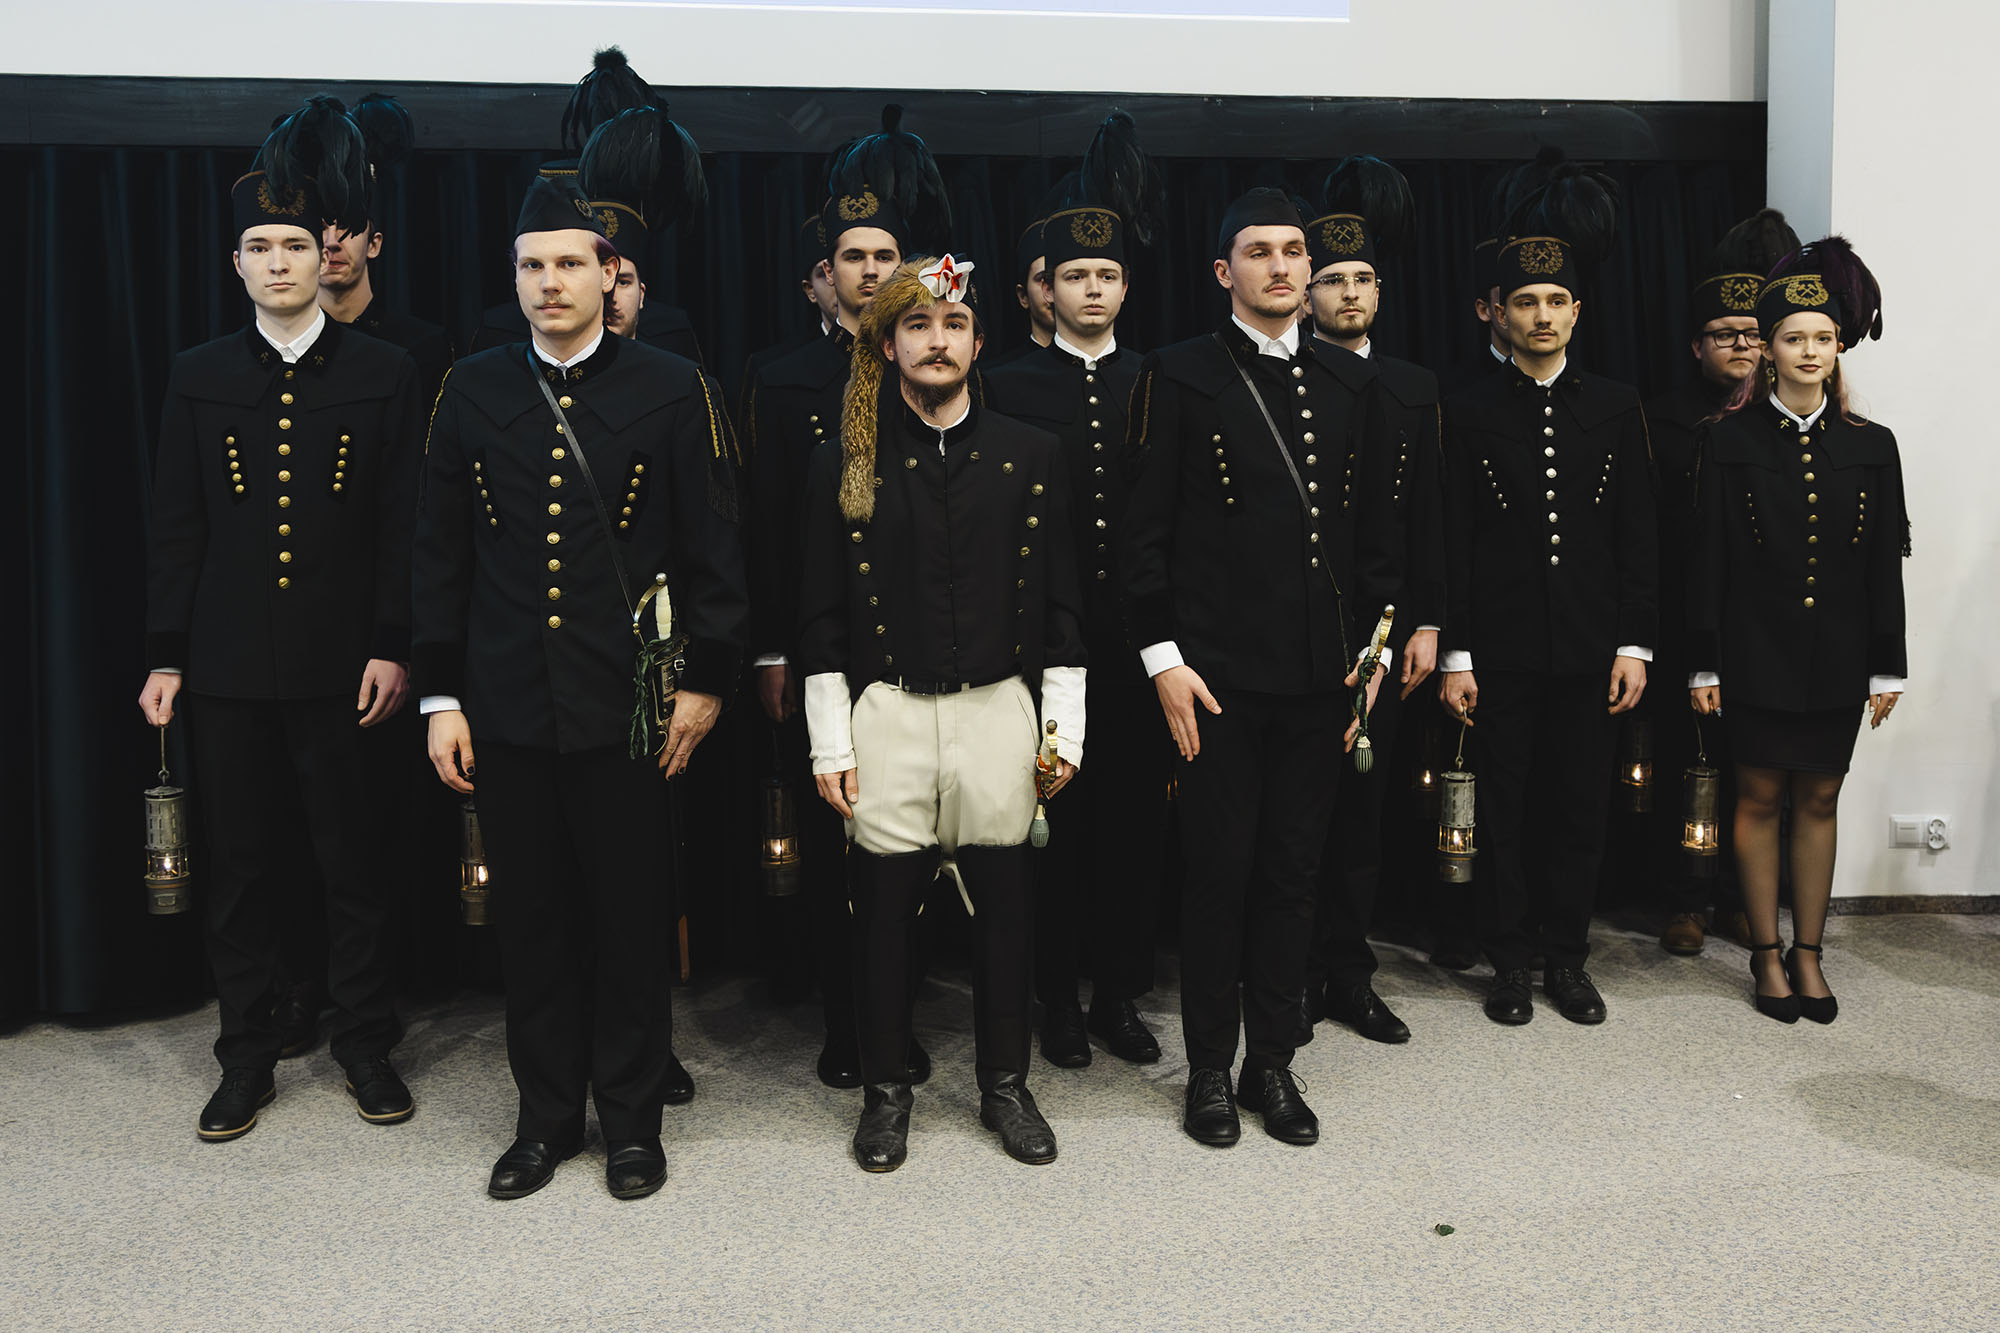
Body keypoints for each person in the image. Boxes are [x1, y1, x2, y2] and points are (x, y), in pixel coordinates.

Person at [412, 176, 748, 1200]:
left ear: (610, 275)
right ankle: (545, 1119)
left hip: (628, 708)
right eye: (532, 265)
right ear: (513, 278)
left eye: (569, 263)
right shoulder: (470, 389)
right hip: (508, 703)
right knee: (534, 925)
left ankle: (633, 1123)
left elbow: (715, 551)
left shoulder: (673, 386)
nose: (549, 281)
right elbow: (439, 557)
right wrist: (440, 698)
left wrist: (707, 682)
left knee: (631, 923)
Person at [137, 98, 422, 1141]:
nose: (278, 261)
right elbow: (176, 525)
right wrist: (167, 656)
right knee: (242, 869)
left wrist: (393, 644)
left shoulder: (385, 373)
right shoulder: (199, 374)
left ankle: (365, 1043)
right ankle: (245, 1057)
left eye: (295, 244)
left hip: (345, 666)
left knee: (354, 862)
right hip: (225, 668)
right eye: (259, 247)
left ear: (325, 255)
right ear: (237, 263)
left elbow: (402, 527)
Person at [1122, 188, 1400, 1148]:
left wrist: (1372, 657)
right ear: (1223, 271)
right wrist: (1162, 661)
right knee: (1218, 875)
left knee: (1293, 874)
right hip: (1216, 681)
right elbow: (1142, 538)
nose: (1280, 266)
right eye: (1259, 251)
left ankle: (1271, 1061)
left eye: (1293, 251)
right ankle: (1207, 1065)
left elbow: (1375, 541)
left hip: (1323, 680)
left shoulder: (1350, 382)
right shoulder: (1177, 374)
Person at [797, 254, 1087, 1171]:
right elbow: (820, 617)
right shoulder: (844, 461)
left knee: (1007, 912)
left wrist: (1063, 727)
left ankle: (1007, 1086)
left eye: (953, 325)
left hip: (1001, 711)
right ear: (888, 345)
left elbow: (1063, 603)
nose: (937, 341)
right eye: (917, 326)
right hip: (885, 713)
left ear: (978, 342)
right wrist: (829, 743)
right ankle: (886, 1095)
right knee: (883, 918)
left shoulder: (1032, 454)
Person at [742, 105, 949, 1091]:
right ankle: (842, 1021)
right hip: (820, 643)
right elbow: (763, 522)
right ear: (823, 274)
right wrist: (770, 648)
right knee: (835, 841)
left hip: (919, 644)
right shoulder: (779, 378)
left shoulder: (938, 363)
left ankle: (898, 1015)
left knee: (911, 843)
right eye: (853, 257)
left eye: (885, 255)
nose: (870, 271)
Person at [1437, 183, 1658, 1028]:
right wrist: (1457, 654)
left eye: (1556, 301)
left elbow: (1638, 536)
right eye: (1526, 301)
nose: (1541, 315)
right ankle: (1508, 961)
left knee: (1579, 810)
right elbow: (1453, 540)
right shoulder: (1467, 408)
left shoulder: (1614, 405)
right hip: (1499, 652)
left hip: (1592, 650)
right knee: (1505, 810)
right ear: (1499, 312)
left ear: (1577, 311)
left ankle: (1567, 957)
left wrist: (1635, 643)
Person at [983, 111, 1167, 1070]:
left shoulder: (1158, 382)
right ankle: (1054, 996)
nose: (1091, 289)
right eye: (1073, 276)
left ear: (1126, 288)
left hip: (1137, 644)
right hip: (1037, 645)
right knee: (1048, 825)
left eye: (1106, 275)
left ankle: (1120, 993)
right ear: (1041, 290)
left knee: (1132, 825)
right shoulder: (1005, 386)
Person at [1689, 236, 1902, 1026]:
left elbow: (1883, 566)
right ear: (1768, 351)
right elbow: (1707, 562)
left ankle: (1809, 951)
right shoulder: (1727, 440)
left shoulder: (1872, 446)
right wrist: (1704, 664)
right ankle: (1765, 953)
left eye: (1824, 337)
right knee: (1757, 797)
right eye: (1793, 338)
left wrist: (1888, 667)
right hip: (1753, 654)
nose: (1810, 351)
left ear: (1839, 346)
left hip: (1840, 658)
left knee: (1819, 797)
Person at [1298, 156, 1442, 1046]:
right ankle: (1290, 973)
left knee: (1363, 811)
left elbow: (1428, 513)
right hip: (1299, 626)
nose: (1349, 292)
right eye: (1332, 280)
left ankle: (1349, 973)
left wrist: (1426, 621)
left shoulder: (1414, 387)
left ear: (1381, 291)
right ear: (1305, 293)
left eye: (1362, 278)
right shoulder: (1284, 380)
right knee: (1297, 816)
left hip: (1383, 631)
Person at [1642, 208, 1800, 956]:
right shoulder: (1661, 419)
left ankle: (1743, 897)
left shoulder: (1781, 422)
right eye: (1726, 334)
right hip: (1682, 619)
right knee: (1687, 761)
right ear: (1698, 345)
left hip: (1760, 626)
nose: (1741, 346)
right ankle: (1685, 900)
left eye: (1753, 334)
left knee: (1756, 767)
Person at [463, 49, 705, 365]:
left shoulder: (668, 338)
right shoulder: (502, 334)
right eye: (537, 265)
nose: (609, 296)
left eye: (622, 280)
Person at [983, 215, 1055, 371]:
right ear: (1023, 296)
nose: (1054, 291)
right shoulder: (998, 376)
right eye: (1044, 279)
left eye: (1068, 278)